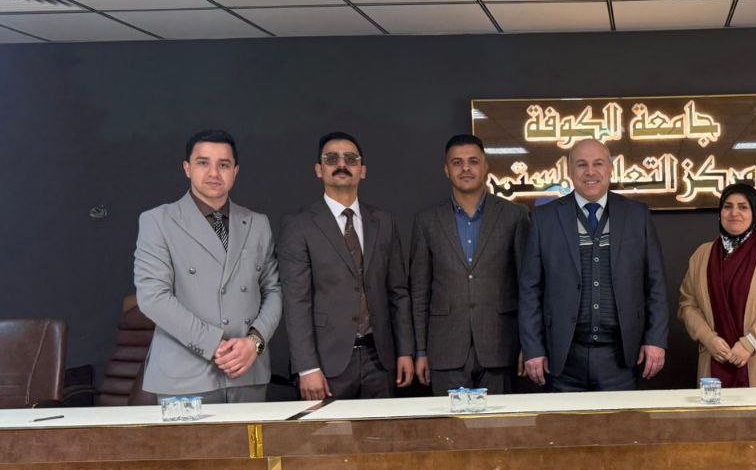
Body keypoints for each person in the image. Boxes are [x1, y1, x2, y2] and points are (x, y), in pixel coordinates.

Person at [134, 129, 281, 403]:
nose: (214, 173)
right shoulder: (158, 221)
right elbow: (153, 297)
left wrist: (255, 343)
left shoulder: (258, 223)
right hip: (183, 377)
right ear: (187, 168)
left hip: (247, 372)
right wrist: (213, 344)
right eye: (203, 163)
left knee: (250, 435)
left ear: (235, 171)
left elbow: (274, 290)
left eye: (223, 165)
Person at [519, 138, 668, 392]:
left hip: (621, 358)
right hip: (563, 358)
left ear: (610, 169)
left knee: (620, 420)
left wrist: (656, 339)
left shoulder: (637, 214)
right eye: (581, 164)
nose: (590, 172)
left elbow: (656, 284)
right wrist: (533, 348)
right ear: (569, 171)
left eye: (598, 163)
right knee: (564, 420)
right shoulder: (544, 218)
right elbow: (530, 290)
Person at [277, 132, 413, 400]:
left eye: (350, 159)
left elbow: (398, 292)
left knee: (382, 429)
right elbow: (296, 302)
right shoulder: (299, 226)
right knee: (330, 430)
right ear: (319, 170)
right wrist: (307, 367)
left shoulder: (384, 222)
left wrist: (405, 351)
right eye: (332, 159)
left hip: (380, 359)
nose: (342, 164)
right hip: (326, 364)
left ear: (362, 170)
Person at [410, 134, 529, 395]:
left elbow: (527, 287)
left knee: (499, 421)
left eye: (473, 161)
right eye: (457, 162)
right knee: (451, 422)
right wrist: (420, 350)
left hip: (501, 346)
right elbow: (419, 292)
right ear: (446, 170)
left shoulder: (515, 216)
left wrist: (528, 345)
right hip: (445, 349)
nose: (466, 168)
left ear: (485, 166)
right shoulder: (426, 221)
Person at [678, 183, 756, 387]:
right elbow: (687, 305)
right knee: (716, 409)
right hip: (715, 360)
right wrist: (708, 338)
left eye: (743, 207)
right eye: (728, 207)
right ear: (720, 213)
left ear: (755, 213)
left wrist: (750, 342)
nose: (734, 213)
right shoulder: (702, 255)